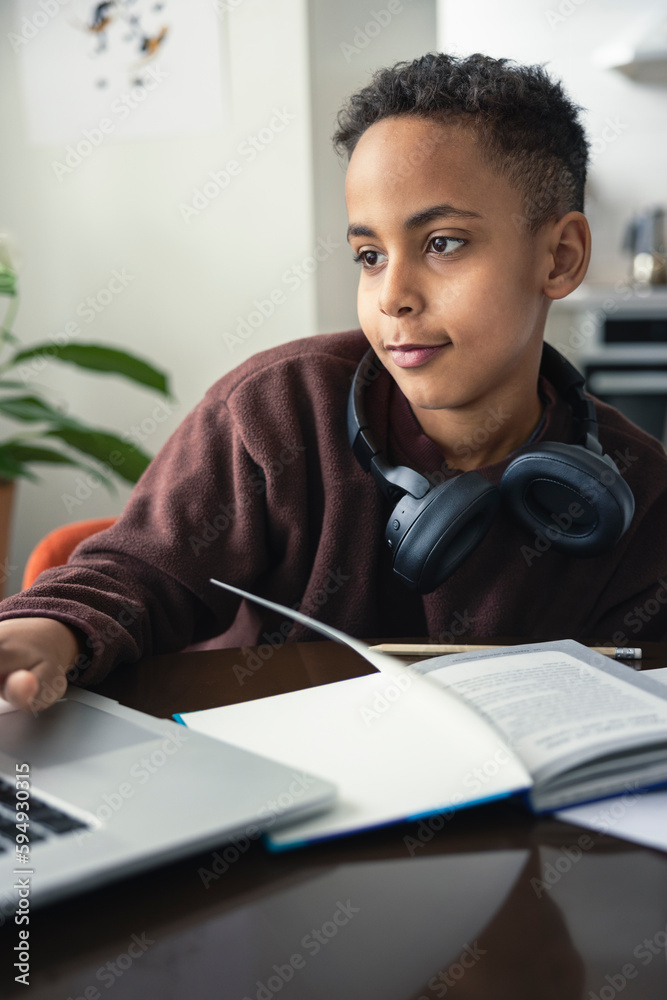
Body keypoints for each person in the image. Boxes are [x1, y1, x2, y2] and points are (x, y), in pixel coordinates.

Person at [2, 52, 667, 714]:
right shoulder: (278, 408)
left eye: (442, 243)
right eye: (370, 256)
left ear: (559, 257)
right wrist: (44, 633)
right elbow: (140, 573)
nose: (392, 297)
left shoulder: (638, 488)